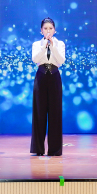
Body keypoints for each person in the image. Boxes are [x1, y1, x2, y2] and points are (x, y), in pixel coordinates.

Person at [30, 17, 66, 156]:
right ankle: (38, 149)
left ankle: (54, 149)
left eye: (50, 28)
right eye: (45, 28)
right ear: (41, 31)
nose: (48, 31)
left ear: (55, 30)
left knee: (55, 113)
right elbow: (35, 59)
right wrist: (44, 45)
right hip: (41, 76)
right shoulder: (36, 44)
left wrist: (53, 45)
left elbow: (61, 60)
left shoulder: (60, 44)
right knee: (39, 113)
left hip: (54, 76)